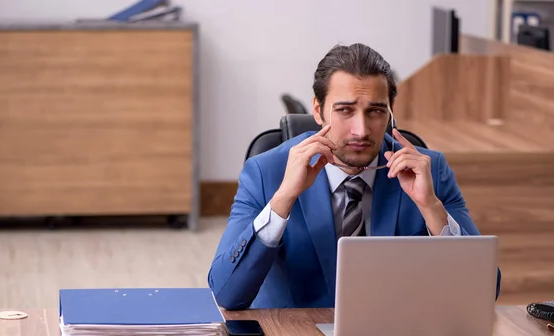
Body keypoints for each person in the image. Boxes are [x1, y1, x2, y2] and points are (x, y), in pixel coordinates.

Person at [208, 43, 501, 310]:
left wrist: (431, 209)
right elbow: (226, 293)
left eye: (375, 111)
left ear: (390, 114)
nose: (361, 130)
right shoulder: (265, 171)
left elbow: (485, 293)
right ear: (318, 111)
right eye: (345, 111)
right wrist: (283, 198)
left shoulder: (430, 170)